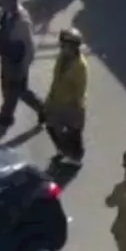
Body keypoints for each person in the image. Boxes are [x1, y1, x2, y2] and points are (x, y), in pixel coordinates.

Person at [0, 0, 44, 134]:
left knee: (19, 90)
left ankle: (43, 110)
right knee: (8, 88)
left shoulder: (22, 21)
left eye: (5, 1)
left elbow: (29, 46)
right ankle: (6, 115)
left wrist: (24, 67)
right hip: (7, 58)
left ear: (12, 2)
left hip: (18, 62)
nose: (2, 4)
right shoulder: (5, 13)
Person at [43, 28, 89, 165]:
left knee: (74, 133)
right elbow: (56, 79)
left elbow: (80, 90)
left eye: (65, 45)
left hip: (71, 105)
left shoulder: (80, 66)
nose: (62, 47)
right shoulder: (62, 57)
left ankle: (76, 157)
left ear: (73, 47)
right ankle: (62, 150)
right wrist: (49, 100)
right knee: (50, 126)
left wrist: (76, 109)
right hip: (56, 100)